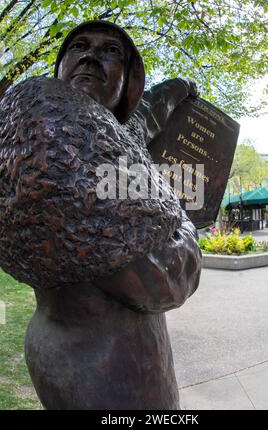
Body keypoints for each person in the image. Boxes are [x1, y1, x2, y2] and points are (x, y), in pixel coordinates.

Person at [1, 20, 201, 410]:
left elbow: (142, 120)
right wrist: (183, 219)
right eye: (79, 46)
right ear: (58, 68)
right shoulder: (49, 129)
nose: (91, 56)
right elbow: (163, 280)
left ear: (128, 82)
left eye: (111, 52)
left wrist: (178, 88)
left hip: (134, 353)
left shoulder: (112, 141)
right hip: (105, 369)